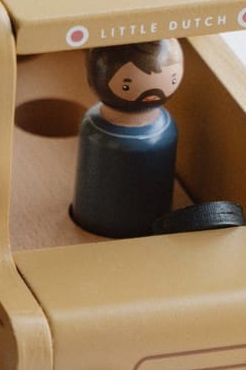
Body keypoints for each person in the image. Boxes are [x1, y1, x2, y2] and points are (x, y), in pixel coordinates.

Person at [70, 39, 184, 237]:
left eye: (172, 79)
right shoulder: (96, 130)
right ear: (96, 76)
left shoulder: (164, 129)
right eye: (126, 85)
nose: (152, 93)